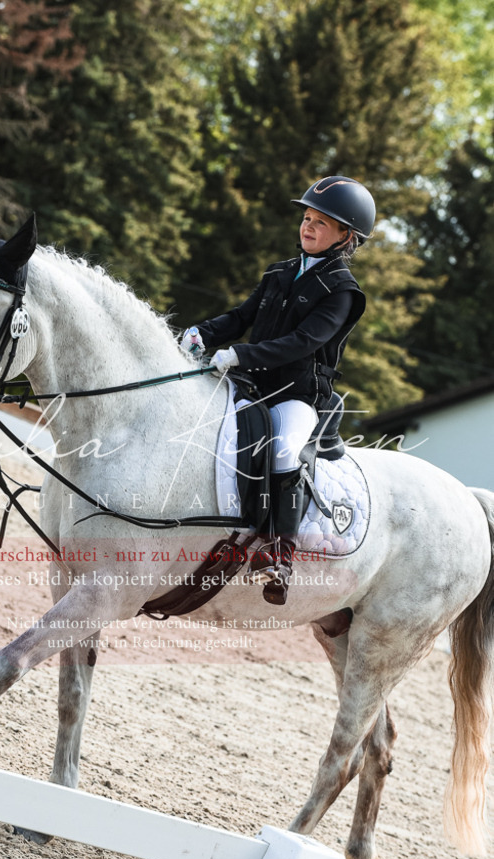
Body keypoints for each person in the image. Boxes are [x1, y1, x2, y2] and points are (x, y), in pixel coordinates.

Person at [182, 175, 375, 605]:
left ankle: (279, 553)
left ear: (346, 236)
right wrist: (203, 332)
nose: (308, 227)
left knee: (284, 449)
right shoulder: (280, 272)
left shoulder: (343, 291)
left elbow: (304, 342)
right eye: (307, 218)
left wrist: (240, 354)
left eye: (321, 223)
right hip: (250, 382)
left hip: (297, 394)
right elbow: (241, 315)